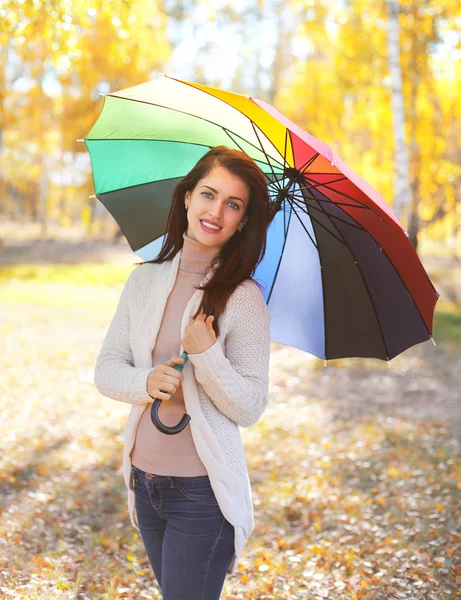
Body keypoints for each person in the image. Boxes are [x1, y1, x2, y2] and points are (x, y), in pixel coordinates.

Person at [94, 145, 272, 599]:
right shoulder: (144, 281)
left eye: (233, 204)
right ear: (188, 196)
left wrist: (208, 354)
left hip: (202, 493)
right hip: (143, 480)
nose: (216, 211)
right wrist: (147, 381)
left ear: (243, 220)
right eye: (209, 194)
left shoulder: (243, 298)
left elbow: (249, 406)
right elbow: (106, 369)